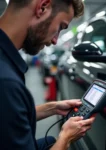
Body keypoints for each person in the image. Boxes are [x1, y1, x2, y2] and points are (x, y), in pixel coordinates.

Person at [0, 0, 95, 150]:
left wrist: (53, 108)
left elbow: (8, 116)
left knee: (49, 141)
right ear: (43, 7)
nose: (55, 40)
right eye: (60, 27)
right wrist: (66, 138)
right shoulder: (6, 82)